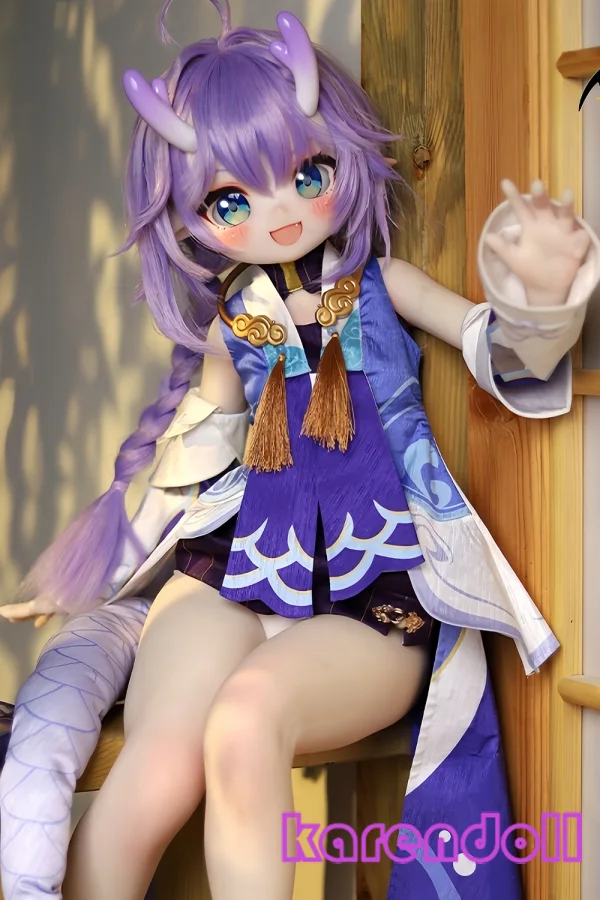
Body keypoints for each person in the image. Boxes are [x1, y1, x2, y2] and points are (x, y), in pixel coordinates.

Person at [1, 2, 599, 898]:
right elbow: (187, 469)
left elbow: (497, 353)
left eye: (306, 173)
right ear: (190, 217)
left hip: (375, 591)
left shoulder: (381, 286)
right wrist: (91, 569)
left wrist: (541, 302)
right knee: (155, 768)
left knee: (246, 721)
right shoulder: (232, 327)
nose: (278, 214)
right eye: (230, 200)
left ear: (342, 157)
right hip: (233, 573)